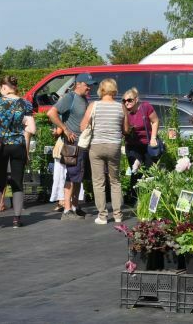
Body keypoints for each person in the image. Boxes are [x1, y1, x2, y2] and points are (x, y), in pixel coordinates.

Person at [0, 75, 36, 229]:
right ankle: (16, 219)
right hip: (18, 145)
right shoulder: (25, 104)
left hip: (0, 145)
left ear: (4, 87)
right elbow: (32, 129)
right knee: (17, 182)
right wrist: (22, 127)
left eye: (0, 88)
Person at [47, 72, 93, 221]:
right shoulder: (70, 98)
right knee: (71, 175)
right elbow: (51, 113)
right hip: (72, 144)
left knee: (78, 176)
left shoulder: (83, 99)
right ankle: (67, 210)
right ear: (78, 84)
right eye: (87, 85)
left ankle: (74, 207)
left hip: (83, 144)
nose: (89, 89)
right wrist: (65, 130)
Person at [81, 78, 124, 224]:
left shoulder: (94, 105)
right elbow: (125, 129)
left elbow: (82, 127)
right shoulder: (120, 107)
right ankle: (118, 215)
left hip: (97, 145)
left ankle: (103, 215)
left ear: (101, 90)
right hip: (114, 146)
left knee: (98, 182)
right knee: (115, 181)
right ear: (114, 90)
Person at [122, 87, 160, 205]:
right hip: (132, 145)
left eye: (129, 100)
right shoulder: (124, 112)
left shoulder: (145, 107)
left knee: (150, 172)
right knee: (135, 168)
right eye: (124, 101)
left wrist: (153, 137)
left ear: (136, 99)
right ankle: (135, 198)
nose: (127, 103)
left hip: (147, 144)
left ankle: (151, 199)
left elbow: (155, 121)